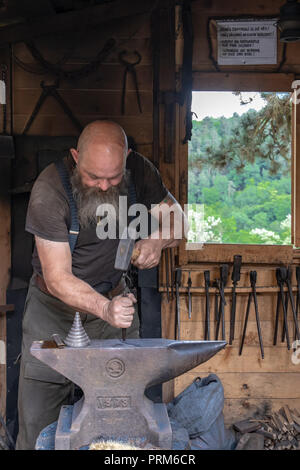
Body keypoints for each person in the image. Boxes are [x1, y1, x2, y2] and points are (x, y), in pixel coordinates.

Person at [16, 120, 187, 450]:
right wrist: (103, 308)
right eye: (94, 177)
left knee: (122, 419)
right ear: (76, 156)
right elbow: (58, 278)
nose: (105, 186)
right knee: (40, 421)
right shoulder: (49, 190)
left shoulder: (140, 171)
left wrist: (157, 241)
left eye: (114, 177)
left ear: (128, 158)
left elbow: (176, 217)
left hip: (113, 307)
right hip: (52, 312)